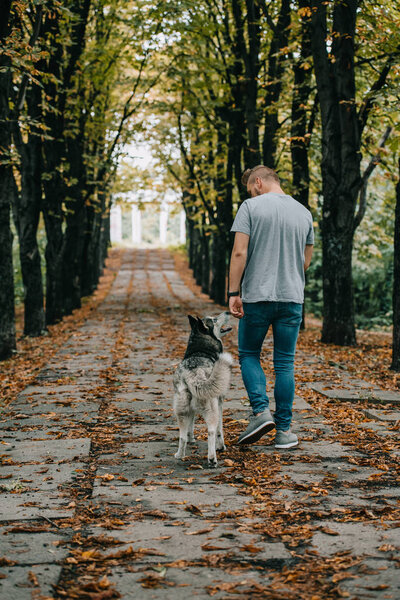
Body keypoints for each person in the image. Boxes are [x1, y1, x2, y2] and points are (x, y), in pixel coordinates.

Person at [228, 165, 314, 449]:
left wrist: (233, 291)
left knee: (249, 354)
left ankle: (261, 412)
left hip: (258, 296)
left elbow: (240, 251)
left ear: (259, 182)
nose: (252, 193)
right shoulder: (304, 213)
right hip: (292, 298)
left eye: (252, 188)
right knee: (284, 363)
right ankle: (284, 432)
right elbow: (305, 261)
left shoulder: (250, 207)